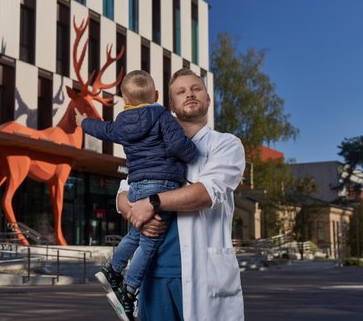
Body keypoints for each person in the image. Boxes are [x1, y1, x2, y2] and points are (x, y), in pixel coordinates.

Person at [117, 68, 246, 321]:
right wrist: (133, 208)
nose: (189, 94)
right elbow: (124, 190)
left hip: (204, 275)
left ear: (208, 99)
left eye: (196, 89)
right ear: (170, 105)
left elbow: (206, 192)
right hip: (154, 276)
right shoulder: (153, 143)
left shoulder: (225, 144)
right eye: (181, 91)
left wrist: (152, 203)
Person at [75, 69, 198, 321]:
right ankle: (129, 291)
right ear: (155, 95)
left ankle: (113, 268)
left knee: (138, 232)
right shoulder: (162, 115)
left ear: (124, 99)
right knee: (149, 241)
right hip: (162, 183)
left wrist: (82, 122)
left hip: (137, 185)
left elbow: (102, 130)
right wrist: (193, 153)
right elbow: (176, 145)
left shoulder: (121, 122)